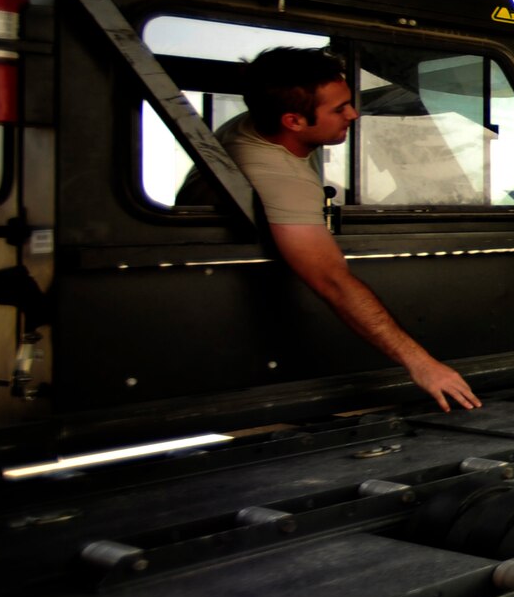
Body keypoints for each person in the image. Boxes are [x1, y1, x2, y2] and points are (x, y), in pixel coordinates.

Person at [180, 47, 481, 410]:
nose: (353, 114)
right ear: (293, 121)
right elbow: (331, 281)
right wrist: (422, 364)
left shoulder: (258, 122)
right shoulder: (278, 178)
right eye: (339, 109)